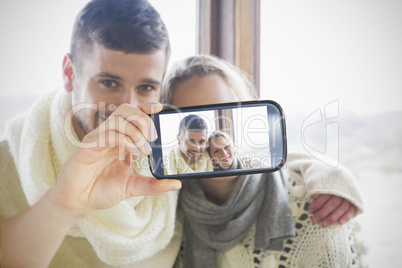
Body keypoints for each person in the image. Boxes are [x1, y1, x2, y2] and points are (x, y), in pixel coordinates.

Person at [0, 1, 182, 267]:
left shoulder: (173, 168)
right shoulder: (6, 168)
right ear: (69, 74)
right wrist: (63, 202)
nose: (127, 107)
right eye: (109, 83)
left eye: (145, 87)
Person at [160, 54, 366, 267]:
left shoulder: (317, 209)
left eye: (223, 116)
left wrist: (331, 170)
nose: (211, 140)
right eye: (193, 121)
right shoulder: (166, 213)